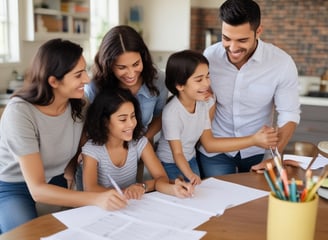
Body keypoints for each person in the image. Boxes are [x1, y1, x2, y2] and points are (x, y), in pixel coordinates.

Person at [0, 39, 128, 234]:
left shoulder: (79, 106)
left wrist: (70, 170)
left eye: (85, 70)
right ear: (53, 81)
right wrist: (96, 198)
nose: (86, 79)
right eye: (78, 74)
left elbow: (80, 143)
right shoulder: (20, 112)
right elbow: (37, 189)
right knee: (26, 234)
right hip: (14, 187)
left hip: (57, 180)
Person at [197, 0, 301, 177]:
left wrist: (274, 156)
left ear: (258, 31)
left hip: (258, 152)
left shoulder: (281, 63)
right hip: (216, 151)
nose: (233, 47)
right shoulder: (210, 57)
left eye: (242, 40)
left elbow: (289, 113)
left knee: (255, 202)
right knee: (218, 202)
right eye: (226, 38)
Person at [156, 50, 279, 184]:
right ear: (179, 85)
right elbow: (177, 153)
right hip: (169, 162)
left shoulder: (205, 103)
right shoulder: (172, 112)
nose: (206, 84)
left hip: (190, 158)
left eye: (207, 76)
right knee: (181, 194)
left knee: (195, 192)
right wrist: (191, 175)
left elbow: (207, 140)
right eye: (199, 79)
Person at [81, 88, 194, 199]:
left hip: (131, 206)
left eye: (133, 116)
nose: (131, 124)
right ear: (105, 122)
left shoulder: (139, 142)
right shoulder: (91, 150)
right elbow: (91, 189)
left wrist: (172, 189)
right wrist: (127, 192)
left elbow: (161, 178)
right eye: (122, 119)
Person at [85, 25, 168, 142]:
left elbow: (159, 115)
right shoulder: (94, 86)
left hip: (142, 146)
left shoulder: (158, 80)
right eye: (122, 67)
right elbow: (90, 126)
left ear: (143, 58)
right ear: (108, 65)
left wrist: (144, 140)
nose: (131, 74)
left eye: (136, 64)